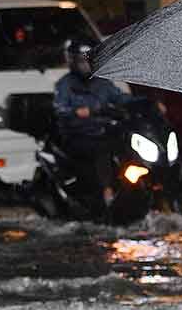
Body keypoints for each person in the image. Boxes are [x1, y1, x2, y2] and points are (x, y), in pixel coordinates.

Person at [53, 38, 133, 216]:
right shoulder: (65, 85)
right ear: (73, 61)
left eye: (88, 60)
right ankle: (106, 191)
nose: (85, 65)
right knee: (100, 150)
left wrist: (146, 102)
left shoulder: (103, 83)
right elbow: (60, 108)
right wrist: (76, 112)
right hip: (78, 135)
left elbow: (121, 98)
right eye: (81, 60)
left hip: (104, 132)